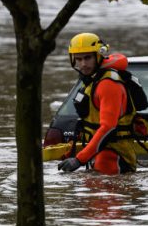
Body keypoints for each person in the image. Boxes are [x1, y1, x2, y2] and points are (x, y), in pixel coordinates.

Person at [58, 33, 139, 175]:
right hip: (99, 153)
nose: (83, 64)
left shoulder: (108, 84)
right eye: (78, 59)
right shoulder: (92, 80)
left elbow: (108, 128)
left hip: (113, 157)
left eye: (88, 58)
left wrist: (79, 159)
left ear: (99, 55)